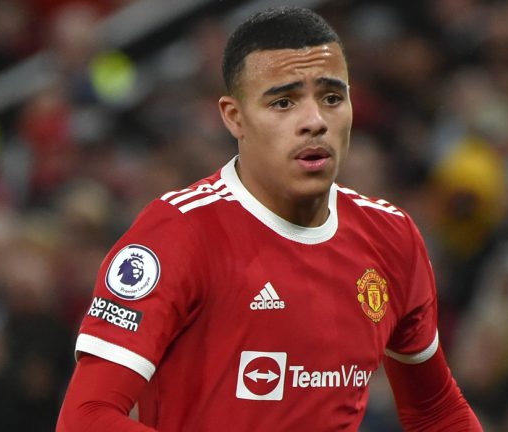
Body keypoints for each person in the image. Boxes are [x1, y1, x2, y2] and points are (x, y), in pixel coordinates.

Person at [56, 7, 482, 431]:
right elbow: (85, 419)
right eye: (283, 102)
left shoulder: (392, 236)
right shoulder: (178, 234)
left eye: (332, 98)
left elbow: (436, 412)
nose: (314, 122)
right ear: (234, 117)